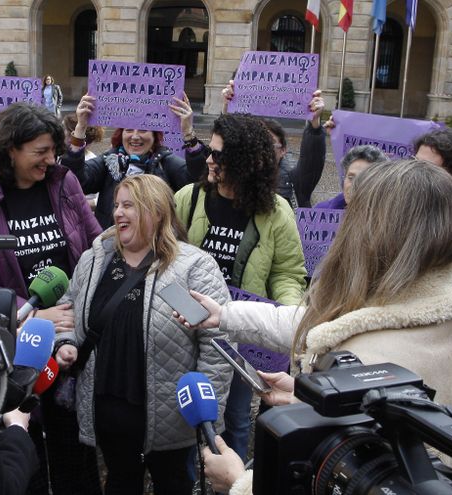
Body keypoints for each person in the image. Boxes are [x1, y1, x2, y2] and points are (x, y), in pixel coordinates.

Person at [176, 160, 452, 494]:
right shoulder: (451, 306)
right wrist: (226, 316)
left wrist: (239, 483)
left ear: (374, 232)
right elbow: (321, 324)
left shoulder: (370, 359)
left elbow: (348, 476)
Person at [0, 102, 104, 495]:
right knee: (24, 449)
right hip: (15, 348)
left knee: (74, 448)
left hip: (71, 339)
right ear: (10, 150)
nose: (50, 159)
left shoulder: (63, 181)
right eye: (40, 152)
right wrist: (30, 312)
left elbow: (94, 243)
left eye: (53, 150)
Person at [53, 174, 233, 495]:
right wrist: (66, 343)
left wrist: (206, 412)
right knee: (120, 482)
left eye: (129, 206)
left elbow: (217, 343)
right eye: (116, 205)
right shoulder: (95, 259)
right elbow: (65, 311)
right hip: (106, 407)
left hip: (169, 416)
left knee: (173, 484)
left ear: (156, 212)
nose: (118, 213)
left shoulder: (192, 267)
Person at [174, 113, 307, 463]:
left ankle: (230, 477)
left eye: (217, 154)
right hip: (188, 324)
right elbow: (166, 258)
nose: (208, 160)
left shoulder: (276, 211)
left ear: (244, 162)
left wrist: (287, 315)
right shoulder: (189, 198)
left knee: (234, 416)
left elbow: (288, 273)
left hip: (240, 330)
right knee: (187, 407)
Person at [62, 94, 206, 228]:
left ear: (155, 136)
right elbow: (74, 180)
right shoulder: (109, 161)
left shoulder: (165, 163)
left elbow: (198, 180)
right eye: (129, 130)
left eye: (143, 130)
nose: (135, 136)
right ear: (121, 134)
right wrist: (80, 128)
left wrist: (188, 132)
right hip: (112, 245)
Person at [221, 82, 327, 208]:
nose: (263, 147)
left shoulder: (296, 181)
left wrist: (314, 124)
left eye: (270, 142)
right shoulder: (240, 176)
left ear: (283, 150)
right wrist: (228, 108)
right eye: (259, 141)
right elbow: (225, 148)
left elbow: (312, 159)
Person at [314, 144, 387, 209]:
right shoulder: (320, 212)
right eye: (351, 178)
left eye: (364, 179)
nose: (354, 185)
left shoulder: (393, 219)